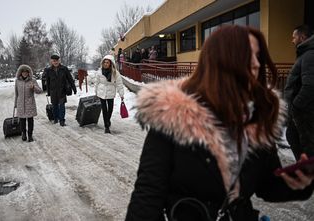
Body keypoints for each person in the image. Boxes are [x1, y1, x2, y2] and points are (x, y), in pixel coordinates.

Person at [125, 25, 314, 221]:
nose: (257, 64)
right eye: (248, 55)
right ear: (221, 61)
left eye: (258, 57)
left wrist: (298, 182)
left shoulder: (258, 119)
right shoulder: (171, 115)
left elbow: (268, 187)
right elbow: (147, 195)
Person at [284, 25, 314, 160]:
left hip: (303, 113)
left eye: (294, 37)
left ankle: (307, 173)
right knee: (293, 137)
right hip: (300, 112)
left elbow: (310, 85)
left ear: (302, 37)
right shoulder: (305, 54)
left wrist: (296, 106)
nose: (292, 40)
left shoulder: (309, 55)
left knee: (305, 145)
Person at [94, 55, 124, 134]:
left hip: (111, 91)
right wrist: (96, 92)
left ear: (111, 63)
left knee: (110, 109)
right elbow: (96, 83)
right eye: (104, 62)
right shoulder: (99, 71)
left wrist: (121, 94)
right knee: (104, 109)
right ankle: (106, 126)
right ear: (102, 63)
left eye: (107, 62)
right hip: (101, 92)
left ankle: (107, 120)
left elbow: (119, 84)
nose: (106, 64)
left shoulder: (115, 73)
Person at [46, 53, 76, 126]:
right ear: (51, 62)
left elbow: (70, 79)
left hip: (62, 90)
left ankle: (62, 120)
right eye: (54, 61)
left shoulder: (64, 69)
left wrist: (74, 88)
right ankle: (56, 118)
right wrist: (48, 92)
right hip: (53, 91)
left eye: (57, 61)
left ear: (59, 61)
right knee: (55, 106)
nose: (55, 62)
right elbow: (48, 82)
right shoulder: (48, 70)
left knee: (62, 105)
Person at [14, 64, 42, 142]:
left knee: (30, 120)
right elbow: (16, 93)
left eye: (26, 72)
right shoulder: (17, 81)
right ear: (20, 72)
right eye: (23, 72)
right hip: (21, 104)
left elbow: (39, 91)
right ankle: (23, 134)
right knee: (22, 121)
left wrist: (34, 87)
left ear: (29, 72)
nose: (25, 73)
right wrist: (15, 104)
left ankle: (30, 135)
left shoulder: (32, 80)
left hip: (30, 103)